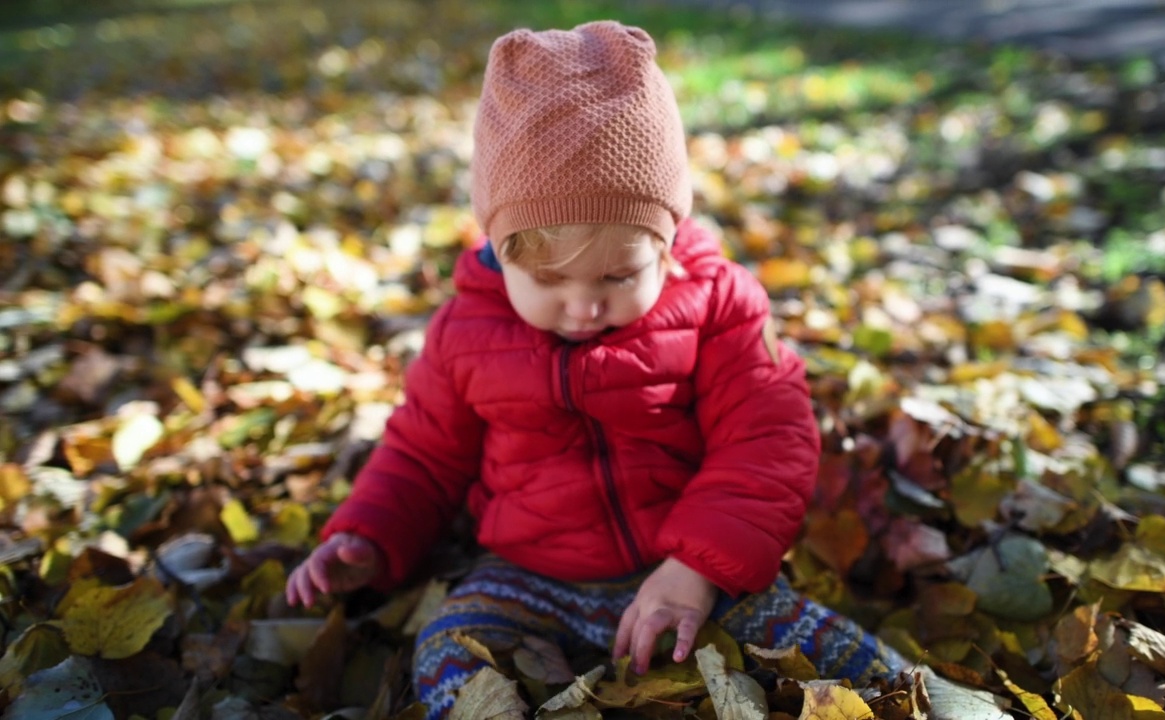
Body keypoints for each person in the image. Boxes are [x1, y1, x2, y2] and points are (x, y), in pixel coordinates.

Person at [285, 20, 906, 718]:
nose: (582, 306)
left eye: (618, 274)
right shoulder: (467, 332)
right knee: (449, 651)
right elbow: (422, 453)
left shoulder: (716, 306)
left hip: (690, 567)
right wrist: (366, 536)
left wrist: (700, 567)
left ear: (667, 241)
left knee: (827, 646)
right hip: (528, 575)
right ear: (498, 250)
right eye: (549, 281)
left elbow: (767, 440)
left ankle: (935, 702)